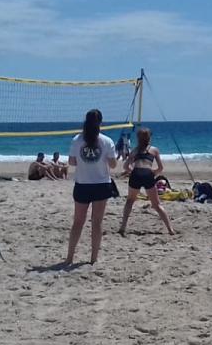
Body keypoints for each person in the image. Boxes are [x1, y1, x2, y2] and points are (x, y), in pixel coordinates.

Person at [65, 109, 118, 265]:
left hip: (83, 184)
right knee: (97, 222)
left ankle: (69, 257)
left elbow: (72, 162)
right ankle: (93, 259)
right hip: (101, 184)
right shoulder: (107, 141)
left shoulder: (77, 139)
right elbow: (113, 165)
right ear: (101, 122)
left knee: (78, 222)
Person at [118, 127, 175, 236]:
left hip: (136, 173)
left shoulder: (135, 150)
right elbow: (160, 168)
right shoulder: (154, 150)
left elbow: (125, 166)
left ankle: (123, 226)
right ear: (149, 138)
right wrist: (153, 173)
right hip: (148, 174)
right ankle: (170, 229)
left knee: (130, 201)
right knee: (156, 204)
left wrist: (132, 172)